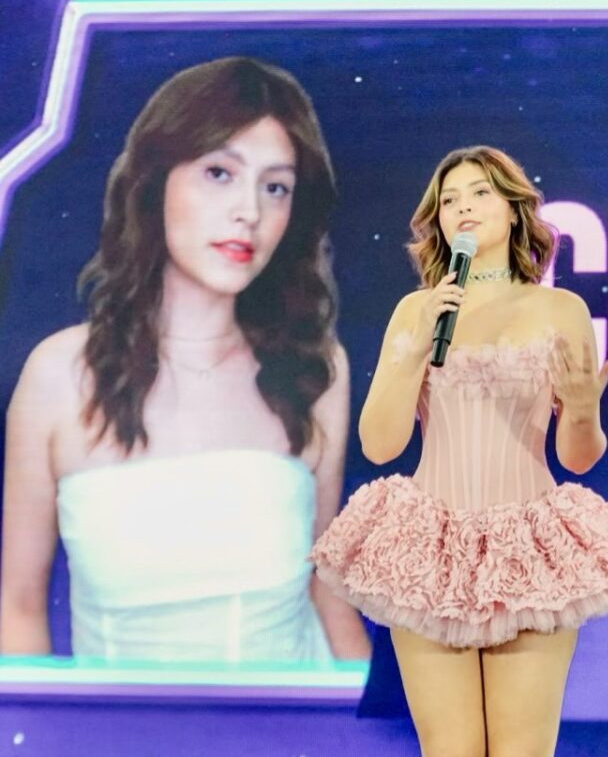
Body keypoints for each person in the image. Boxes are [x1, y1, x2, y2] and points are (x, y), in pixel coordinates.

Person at [0, 57, 370, 664]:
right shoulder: (60, 375)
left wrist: (377, 726)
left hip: (294, 721)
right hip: (120, 728)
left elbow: (327, 596)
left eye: (275, 187)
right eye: (220, 173)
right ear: (156, 183)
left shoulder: (316, 369)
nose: (249, 211)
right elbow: (17, 607)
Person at [311, 145, 608, 757]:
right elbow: (379, 444)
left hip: (529, 544)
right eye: (449, 200)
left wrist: (583, 409)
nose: (463, 208)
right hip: (430, 546)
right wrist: (415, 350)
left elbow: (577, 457)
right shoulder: (418, 311)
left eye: (479, 193)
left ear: (514, 208)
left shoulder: (560, 310)